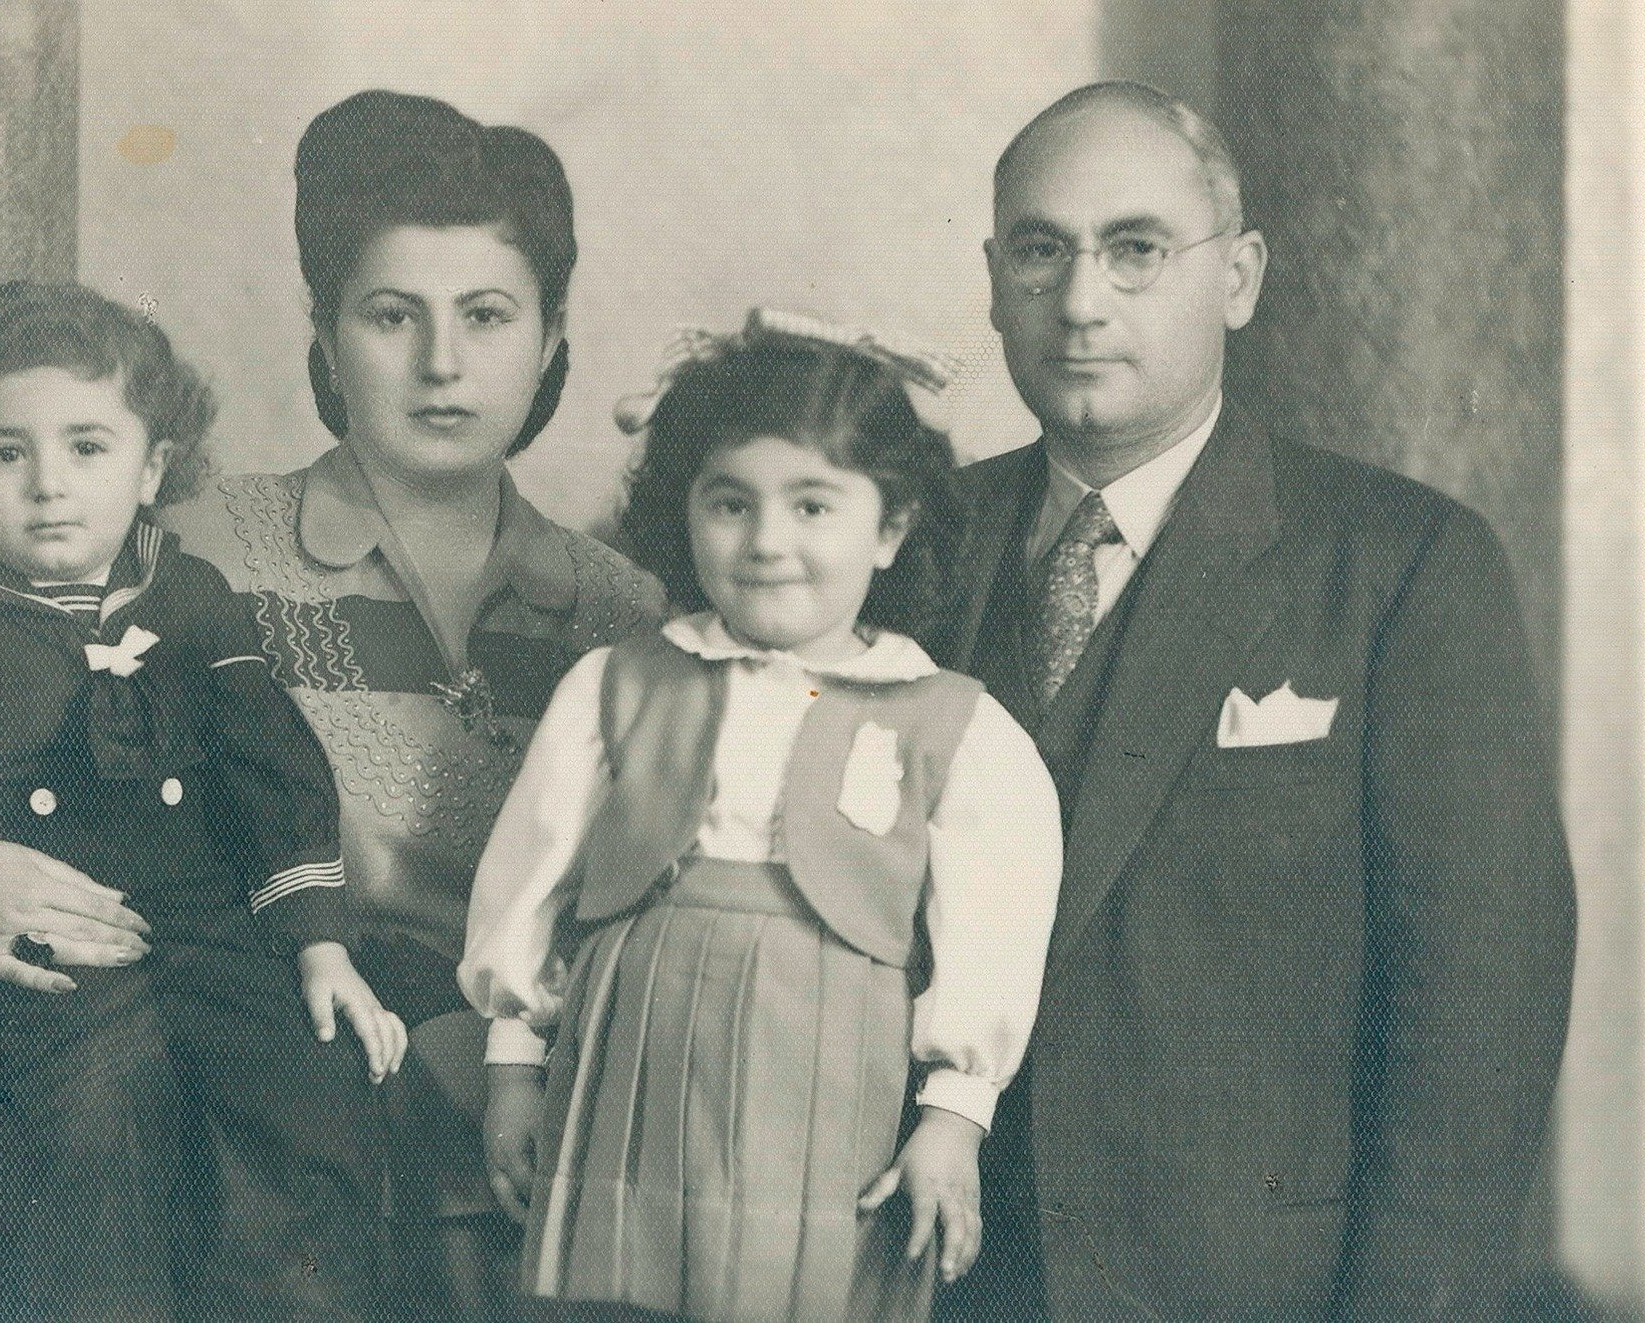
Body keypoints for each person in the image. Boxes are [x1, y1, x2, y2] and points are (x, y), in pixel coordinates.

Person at [0, 90, 667, 1317]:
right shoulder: (194, 554)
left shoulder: (624, 614)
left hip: (526, 1142)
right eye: (390, 316)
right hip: (234, 1143)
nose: (441, 363)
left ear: (551, 330)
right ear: (325, 331)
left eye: (486, 315)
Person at [930, 82, 1576, 1320]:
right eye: (1040, 251)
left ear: (1240, 276)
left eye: (1136, 250)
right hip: (941, 1285)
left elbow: (1478, 1022)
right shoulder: (906, 551)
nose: (1080, 301)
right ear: (995, 278)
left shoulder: (1404, 567)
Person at [0, 281, 404, 1321]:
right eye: (6, 453)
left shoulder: (190, 598)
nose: (49, 485)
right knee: (100, 1108)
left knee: (307, 1075)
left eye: (89, 449)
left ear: (153, 469)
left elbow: (273, 773)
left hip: (199, 928)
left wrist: (318, 943)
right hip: (24, 956)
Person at [459, 313, 1065, 1323]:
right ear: (684, 513)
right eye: (730, 503)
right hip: (634, 1063)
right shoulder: (614, 687)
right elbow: (528, 883)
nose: (768, 542)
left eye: (813, 505)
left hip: (831, 1081)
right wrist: (515, 1068)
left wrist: (954, 1119)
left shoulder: (953, 722)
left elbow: (994, 944)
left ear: (891, 526)